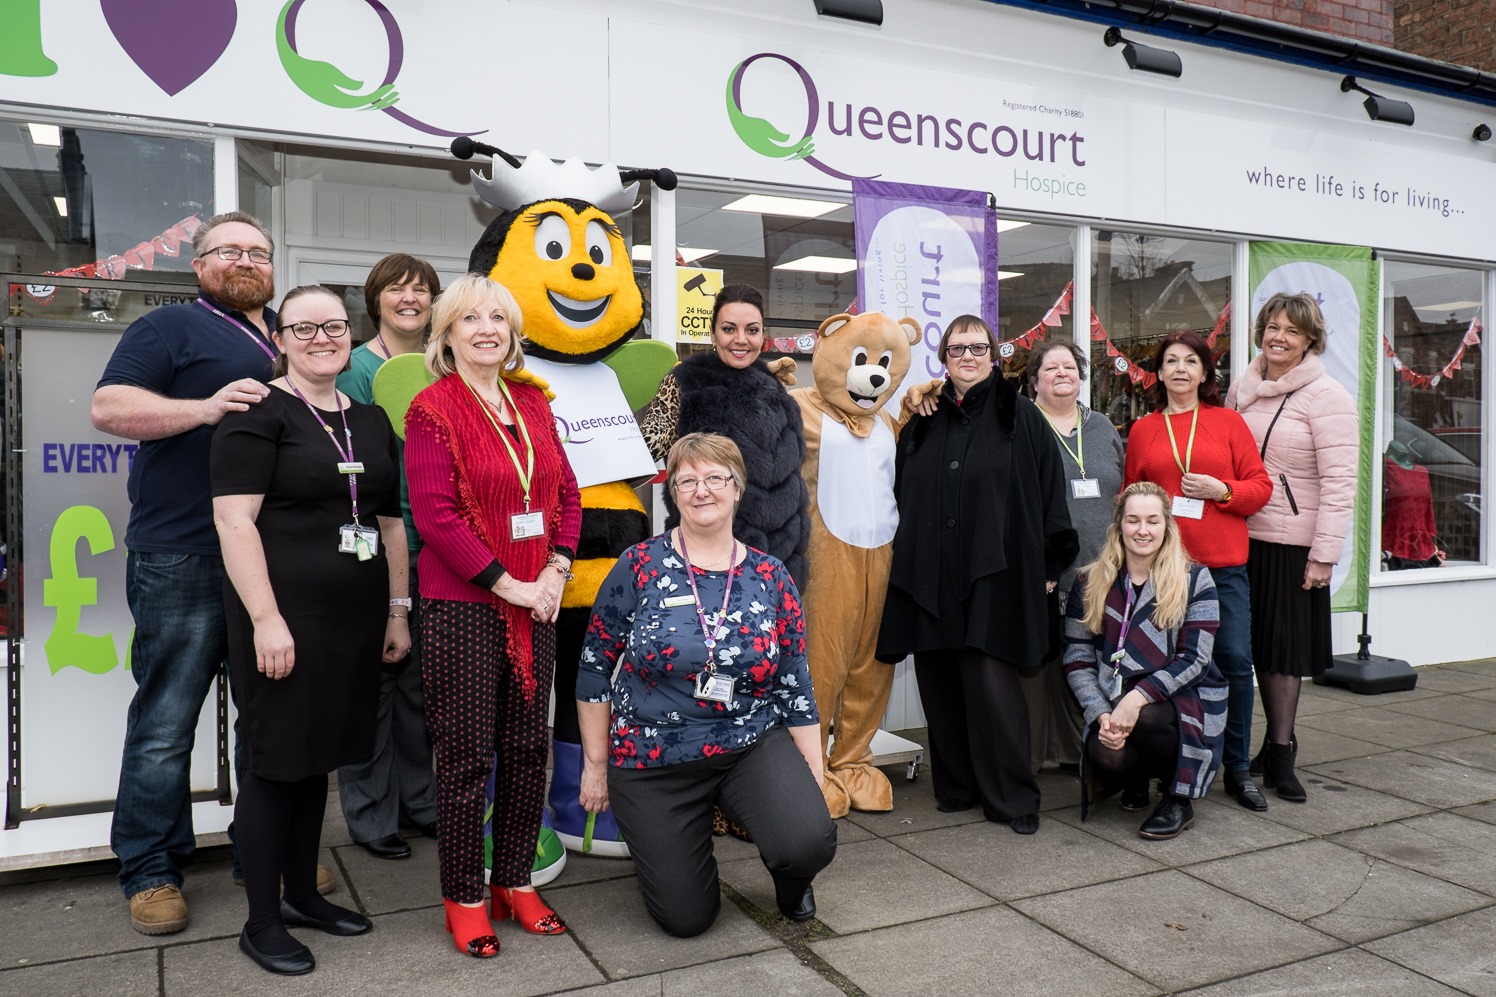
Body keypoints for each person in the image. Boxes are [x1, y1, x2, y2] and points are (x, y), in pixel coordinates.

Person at [93, 211, 328, 935]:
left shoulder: (287, 337)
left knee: (267, 714)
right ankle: (150, 866)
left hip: (272, 555)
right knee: (168, 716)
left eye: (259, 252)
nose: (247, 261)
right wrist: (201, 409)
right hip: (185, 552)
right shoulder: (167, 331)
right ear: (199, 265)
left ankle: (261, 851)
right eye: (229, 250)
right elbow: (107, 407)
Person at [212, 286, 408, 975]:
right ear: (281, 337)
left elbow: (388, 523)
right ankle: (262, 920)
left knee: (317, 758)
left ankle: (303, 895)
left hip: (353, 620)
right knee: (275, 765)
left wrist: (397, 608)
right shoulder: (256, 414)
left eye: (332, 325)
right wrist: (266, 619)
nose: (321, 337)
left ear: (348, 333)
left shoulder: (374, 419)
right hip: (283, 620)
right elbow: (234, 522)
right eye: (304, 327)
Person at [576, 433, 836, 937]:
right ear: (672, 492)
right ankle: (678, 855)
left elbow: (793, 680)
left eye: (715, 478)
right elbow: (592, 668)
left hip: (747, 746)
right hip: (653, 762)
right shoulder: (639, 566)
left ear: (738, 489)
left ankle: (792, 876)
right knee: (686, 919)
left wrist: (812, 772)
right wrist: (595, 765)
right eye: (687, 480)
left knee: (807, 837)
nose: (702, 490)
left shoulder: (771, 575)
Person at [405, 274, 582, 958]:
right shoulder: (432, 409)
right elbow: (435, 516)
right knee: (467, 757)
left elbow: (566, 492)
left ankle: (515, 880)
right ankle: (465, 895)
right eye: (470, 318)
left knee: (527, 748)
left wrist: (557, 571)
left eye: (499, 319)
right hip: (467, 606)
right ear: (446, 334)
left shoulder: (533, 403)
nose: (487, 329)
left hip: (538, 598)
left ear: (512, 334)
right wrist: (511, 583)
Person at [875, 315, 1078, 835]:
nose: (968, 356)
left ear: (995, 354)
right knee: (939, 686)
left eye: (978, 347)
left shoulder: (1023, 416)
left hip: (998, 574)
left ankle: (1012, 797)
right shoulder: (923, 417)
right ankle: (957, 787)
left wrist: (1052, 564)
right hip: (932, 575)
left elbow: (1051, 492)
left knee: (993, 689)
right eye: (958, 348)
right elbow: (896, 486)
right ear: (943, 358)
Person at [1123, 331, 1272, 811]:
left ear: (1206, 372)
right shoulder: (1144, 429)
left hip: (1222, 568)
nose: (1181, 369)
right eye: (1171, 361)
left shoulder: (1228, 423)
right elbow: (1130, 498)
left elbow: (1261, 488)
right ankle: (1157, 768)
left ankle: (1237, 768)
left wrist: (1221, 490)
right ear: (1160, 373)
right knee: (1156, 668)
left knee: (1231, 662)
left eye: (1191, 361)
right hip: (1163, 571)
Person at [1228, 294, 1357, 802]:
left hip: (1291, 544)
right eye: (1272, 326)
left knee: (1282, 654)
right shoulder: (1245, 387)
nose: (1278, 336)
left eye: (1291, 331)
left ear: (1310, 340)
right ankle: (1258, 746)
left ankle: (1281, 754)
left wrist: (1324, 555)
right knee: (1251, 646)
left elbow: (1341, 481)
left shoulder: (1327, 396)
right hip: (1241, 535)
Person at [335, 254, 442, 860]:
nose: (411, 299)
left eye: (422, 290)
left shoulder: (444, 368)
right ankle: (372, 814)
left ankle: (419, 802)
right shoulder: (353, 372)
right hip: (371, 545)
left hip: (436, 547)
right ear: (375, 300)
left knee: (421, 689)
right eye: (397, 290)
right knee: (373, 683)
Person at [1063, 483, 1228, 840]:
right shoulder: (1089, 581)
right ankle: (1135, 779)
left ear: (1166, 526)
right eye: (1133, 520)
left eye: (1152, 521)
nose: (1142, 530)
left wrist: (1137, 699)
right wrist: (1099, 712)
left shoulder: (1196, 580)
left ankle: (1176, 797)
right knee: (1103, 754)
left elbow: (1195, 659)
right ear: (1118, 525)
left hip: (1181, 697)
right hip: (1113, 695)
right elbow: (1077, 658)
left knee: (1149, 718)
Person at [638, 284, 809, 585]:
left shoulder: (774, 386)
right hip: (708, 563)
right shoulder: (685, 383)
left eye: (752, 330)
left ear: (762, 335)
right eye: (729, 329)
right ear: (712, 333)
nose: (741, 340)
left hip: (779, 566)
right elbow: (641, 451)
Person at [1021, 340, 1126, 775]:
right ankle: (1043, 749)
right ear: (1034, 379)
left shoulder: (1102, 426)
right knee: (1048, 660)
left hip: (1103, 566)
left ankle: (1087, 744)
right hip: (1049, 567)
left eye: (1070, 366)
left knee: (1094, 658)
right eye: (1051, 368)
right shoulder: (1024, 424)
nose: (1062, 373)